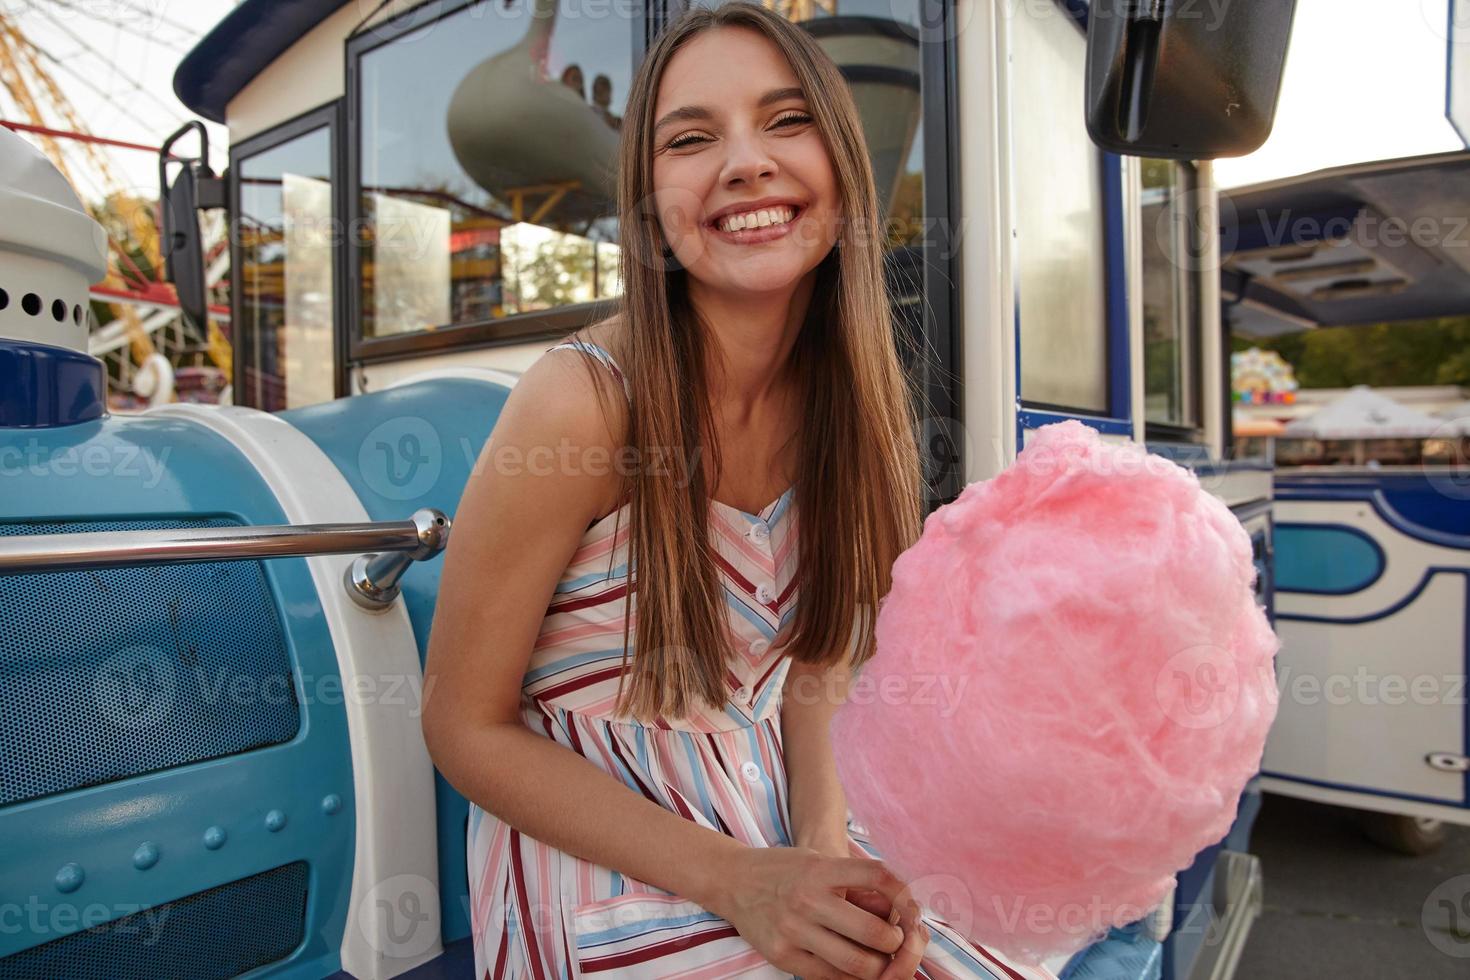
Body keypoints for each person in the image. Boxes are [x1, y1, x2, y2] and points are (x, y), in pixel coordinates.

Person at [422, 3, 1058, 978]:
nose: (747, 160)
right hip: (607, 860)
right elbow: (463, 725)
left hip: (774, 812)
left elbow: (817, 662)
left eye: (786, 119)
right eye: (692, 137)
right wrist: (741, 881)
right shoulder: (583, 403)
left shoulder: (855, 402)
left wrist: (822, 849)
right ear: (650, 200)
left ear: (843, 167)